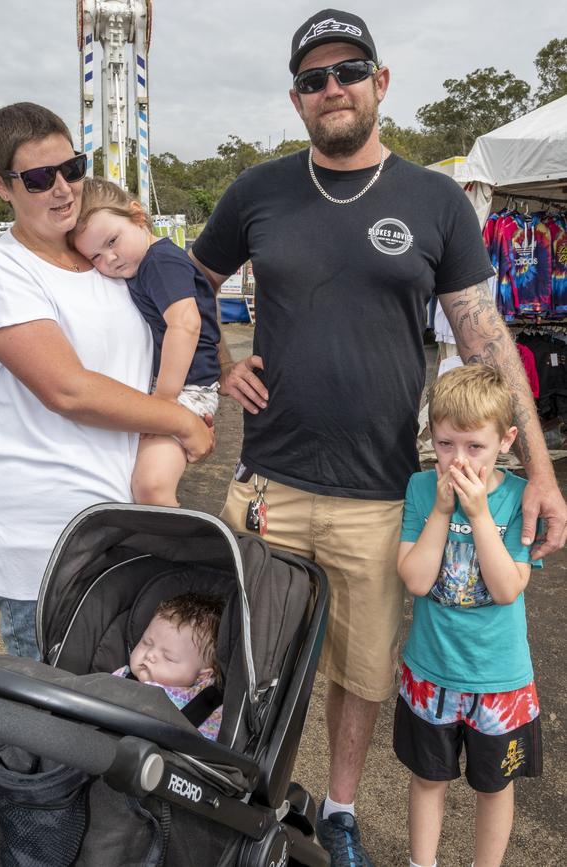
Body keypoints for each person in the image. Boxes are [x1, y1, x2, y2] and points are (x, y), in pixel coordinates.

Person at [189, 10, 567, 866]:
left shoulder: (434, 199)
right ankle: (230, 797)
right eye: (314, 79)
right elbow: (188, 283)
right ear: (297, 99)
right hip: (270, 482)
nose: (333, 89)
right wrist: (218, 364)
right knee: (243, 655)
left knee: (360, 674)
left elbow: (486, 337)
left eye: (348, 71)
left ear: (380, 82)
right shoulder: (257, 191)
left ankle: (342, 810)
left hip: (378, 493)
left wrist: (539, 473)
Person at [0, 103, 213, 661]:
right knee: (53, 719)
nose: (63, 188)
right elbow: (68, 389)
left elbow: (161, 336)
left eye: (71, 168)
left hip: (119, 525)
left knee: (113, 710)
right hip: (46, 537)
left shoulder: (106, 264)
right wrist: (180, 420)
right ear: (1, 186)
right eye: (40, 178)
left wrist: (227, 372)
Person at [395, 364, 542, 867]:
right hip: (431, 671)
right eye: (445, 444)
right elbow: (415, 579)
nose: (458, 460)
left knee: (495, 788)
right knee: (427, 777)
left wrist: (479, 515)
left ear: (506, 440)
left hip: (498, 679)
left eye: (474, 447)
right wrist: (440, 512)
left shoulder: (520, 498)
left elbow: (507, 589)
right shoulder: (420, 490)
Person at [69, 177, 221, 507]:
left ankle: (180, 552)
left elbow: (186, 322)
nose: (109, 258)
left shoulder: (160, 261)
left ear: (137, 216)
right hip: (172, 387)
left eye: (112, 241)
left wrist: (163, 401)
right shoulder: (143, 266)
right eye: (95, 256)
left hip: (185, 389)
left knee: (151, 486)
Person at [113, 593, 224, 741]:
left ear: (202, 676)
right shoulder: (121, 677)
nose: (150, 655)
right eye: (146, 642)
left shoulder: (207, 707)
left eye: (168, 657)